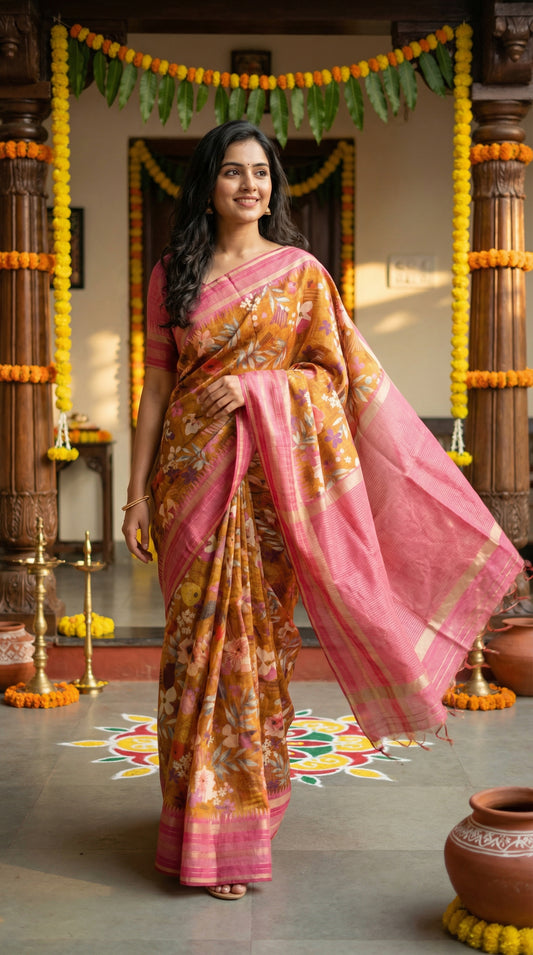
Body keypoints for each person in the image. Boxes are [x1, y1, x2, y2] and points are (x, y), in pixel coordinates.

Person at [122, 120, 522, 900]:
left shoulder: (301, 274)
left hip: (270, 488)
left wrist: (258, 388)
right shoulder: (172, 273)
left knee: (251, 656)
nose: (249, 186)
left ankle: (236, 824)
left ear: (274, 186)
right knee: (192, 660)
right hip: (189, 480)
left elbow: (329, 377)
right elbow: (157, 390)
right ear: (207, 182)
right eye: (233, 172)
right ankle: (193, 815)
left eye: (262, 174)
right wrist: (136, 492)